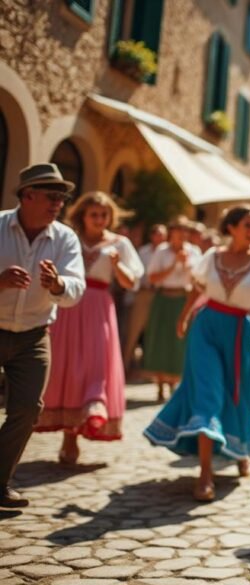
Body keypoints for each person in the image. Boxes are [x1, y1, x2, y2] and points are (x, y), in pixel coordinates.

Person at [143, 205, 250, 501]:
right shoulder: (212, 256)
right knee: (207, 393)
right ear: (231, 227)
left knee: (238, 395)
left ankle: (241, 449)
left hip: (238, 331)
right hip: (206, 327)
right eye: (247, 225)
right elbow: (198, 289)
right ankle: (205, 473)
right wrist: (184, 316)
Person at [35, 191, 144, 461]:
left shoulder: (120, 244)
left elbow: (131, 283)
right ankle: (69, 437)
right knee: (68, 366)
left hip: (98, 308)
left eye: (104, 214)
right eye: (94, 214)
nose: (99, 219)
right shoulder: (68, 238)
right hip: (67, 306)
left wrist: (117, 267)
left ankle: (95, 410)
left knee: (95, 365)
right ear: (82, 215)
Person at [0, 164, 85, 507]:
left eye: (62, 198)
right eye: (52, 196)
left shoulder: (65, 238)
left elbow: (76, 287)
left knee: (27, 409)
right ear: (27, 195)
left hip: (33, 336)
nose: (58, 204)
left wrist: (57, 284)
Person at [141, 216, 202, 401]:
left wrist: (185, 264)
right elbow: (152, 278)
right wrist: (174, 264)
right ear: (171, 233)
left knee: (179, 342)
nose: (182, 234)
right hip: (163, 298)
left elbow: (199, 280)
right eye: (178, 230)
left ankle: (174, 384)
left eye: (185, 231)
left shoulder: (194, 251)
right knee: (160, 340)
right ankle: (160, 383)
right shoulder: (161, 251)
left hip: (183, 300)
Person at [122, 223, 166, 370]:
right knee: (133, 330)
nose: (159, 237)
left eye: (162, 234)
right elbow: (137, 273)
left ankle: (150, 368)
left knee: (156, 332)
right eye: (157, 234)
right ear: (152, 236)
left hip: (161, 295)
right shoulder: (143, 252)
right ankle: (126, 365)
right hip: (143, 293)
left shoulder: (167, 252)